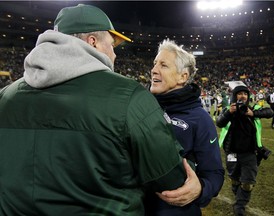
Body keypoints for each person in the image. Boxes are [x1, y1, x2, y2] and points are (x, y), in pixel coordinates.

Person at [0, 4, 195, 216]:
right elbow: (170, 178)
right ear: (92, 42)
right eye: (112, 45)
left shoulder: (5, 96)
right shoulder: (130, 96)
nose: (115, 54)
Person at [145, 39, 225, 216]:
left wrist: (200, 189)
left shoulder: (200, 119)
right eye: (155, 63)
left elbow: (214, 173)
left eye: (163, 65)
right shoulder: (141, 108)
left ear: (183, 76)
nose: (154, 69)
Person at [216, 85, 274, 216]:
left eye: (245, 94)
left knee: (248, 182)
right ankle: (239, 199)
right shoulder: (228, 110)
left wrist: (254, 113)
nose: (243, 96)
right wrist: (228, 113)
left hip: (250, 153)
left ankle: (239, 206)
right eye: (240, 93)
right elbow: (219, 123)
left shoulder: (253, 109)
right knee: (235, 179)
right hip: (232, 153)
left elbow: (270, 112)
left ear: (248, 97)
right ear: (234, 96)